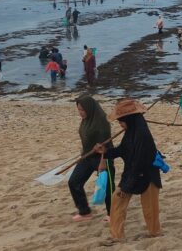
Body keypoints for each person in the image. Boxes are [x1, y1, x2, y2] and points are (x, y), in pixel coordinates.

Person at [93, 99, 162, 242]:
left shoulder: (142, 135)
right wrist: (104, 152)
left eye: (121, 121)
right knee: (117, 201)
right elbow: (123, 150)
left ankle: (155, 233)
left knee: (150, 209)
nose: (120, 124)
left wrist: (128, 185)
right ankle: (117, 236)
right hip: (132, 172)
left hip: (147, 174)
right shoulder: (131, 131)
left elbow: (140, 162)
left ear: (129, 119)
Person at [69, 96, 116, 222]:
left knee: (107, 185)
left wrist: (103, 162)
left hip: (103, 157)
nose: (80, 113)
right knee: (74, 182)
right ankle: (84, 212)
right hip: (87, 157)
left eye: (82, 110)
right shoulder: (86, 120)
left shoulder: (101, 122)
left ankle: (112, 213)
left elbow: (105, 146)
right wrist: (82, 154)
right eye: (78, 110)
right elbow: (86, 140)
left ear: (90, 109)